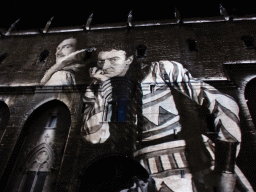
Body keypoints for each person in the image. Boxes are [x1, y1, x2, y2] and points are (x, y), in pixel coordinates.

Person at [81, 42, 254, 192]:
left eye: (113, 60)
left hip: (193, 159)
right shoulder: (102, 90)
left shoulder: (160, 71)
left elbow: (223, 102)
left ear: (129, 59)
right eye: (101, 61)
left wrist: (226, 169)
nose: (106, 66)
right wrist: (102, 89)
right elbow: (95, 137)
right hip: (142, 168)